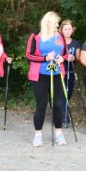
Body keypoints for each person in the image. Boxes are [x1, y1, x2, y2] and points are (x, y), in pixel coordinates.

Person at [25, 11, 68, 147]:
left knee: (57, 104)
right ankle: (38, 135)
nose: (58, 25)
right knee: (41, 105)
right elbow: (29, 55)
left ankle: (58, 133)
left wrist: (63, 58)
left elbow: (65, 54)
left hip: (56, 74)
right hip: (40, 75)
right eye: (56, 22)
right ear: (49, 22)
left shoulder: (60, 36)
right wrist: (45, 58)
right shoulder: (36, 37)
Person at [59, 20, 80, 129]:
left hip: (70, 71)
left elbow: (79, 57)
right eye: (65, 29)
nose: (67, 31)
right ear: (61, 30)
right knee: (62, 95)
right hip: (60, 71)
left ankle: (60, 112)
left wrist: (74, 57)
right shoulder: (57, 41)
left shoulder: (75, 43)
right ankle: (64, 118)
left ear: (72, 30)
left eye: (69, 29)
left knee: (68, 94)